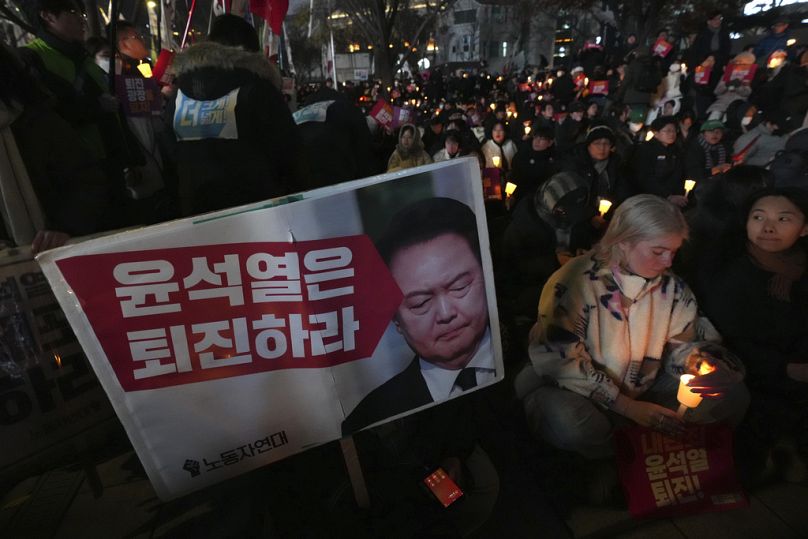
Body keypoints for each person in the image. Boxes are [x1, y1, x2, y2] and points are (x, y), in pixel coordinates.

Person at [515, 194, 749, 461]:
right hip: (574, 390)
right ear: (624, 241)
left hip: (644, 383)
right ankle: (614, 461)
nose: (668, 262)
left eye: (673, 252)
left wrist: (698, 362)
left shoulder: (671, 288)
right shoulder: (574, 282)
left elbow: (683, 343)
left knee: (733, 395)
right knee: (572, 422)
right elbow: (561, 362)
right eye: (658, 251)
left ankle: (643, 449)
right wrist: (628, 408)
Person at [343, 197, 495, 433]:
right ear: (396, 320)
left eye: (459, 287)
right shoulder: (371, 418)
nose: (446, 314)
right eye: (420, 303)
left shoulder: (531, 352)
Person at [696, 188, 808, 483]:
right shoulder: (731, 271)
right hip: (754, 371)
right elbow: (725, 337)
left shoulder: (800, 269)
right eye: (758, 217)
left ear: (805, 227)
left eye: (784, 219)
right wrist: (784, 367)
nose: (768, 227)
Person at [166, 14, 304, 216]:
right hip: (257, 209)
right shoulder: (256, 87)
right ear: (250, 51)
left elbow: (169, 148)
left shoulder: (179, 93)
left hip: (195, 210)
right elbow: (289, 150)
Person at [631, 116, 686, 205]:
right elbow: (645, 178)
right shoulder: (645, 150)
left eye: (674, 130)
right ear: (656, 134)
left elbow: (679, 174)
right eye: (668, 131)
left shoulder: (677, 150)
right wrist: (667, 196)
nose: (672, 134)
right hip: (651, 198)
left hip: (674, 196)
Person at [684, 119, 731, 184]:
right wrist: (716, 169)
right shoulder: (694, 148)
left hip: (719, 184)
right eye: (711, 131)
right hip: (698, 186)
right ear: (703, 134)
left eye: (718, 132)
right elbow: (694, 174)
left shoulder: (723, 147)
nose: (715, 134)